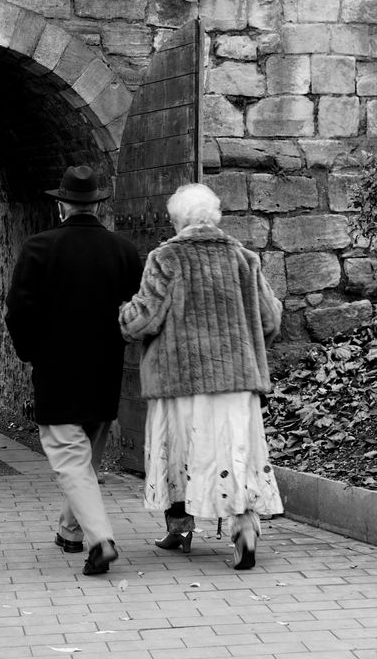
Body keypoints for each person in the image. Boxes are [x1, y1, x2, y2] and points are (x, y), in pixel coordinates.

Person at [118, 183, 283, 570]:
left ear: (177, 221)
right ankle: (245, 527)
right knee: (235, 451)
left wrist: (123, 315)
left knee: (179, 455)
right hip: (237, 379)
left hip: (181, 380)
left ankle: (180, 527)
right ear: (215, 218)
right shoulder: (244, 259)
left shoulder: (166, 258)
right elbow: (271, 318)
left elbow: (145, 318)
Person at [5, 165, 143, 576]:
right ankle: (70, 530)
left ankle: (101, 539)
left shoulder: (38, 248)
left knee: (69, 456)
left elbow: (18, 312)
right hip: (104, 370)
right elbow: (135, 311)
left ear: (62, 204)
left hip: (57, 370)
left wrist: (31, 353)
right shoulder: (123, 250)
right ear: (97, 204)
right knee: (85, 455)